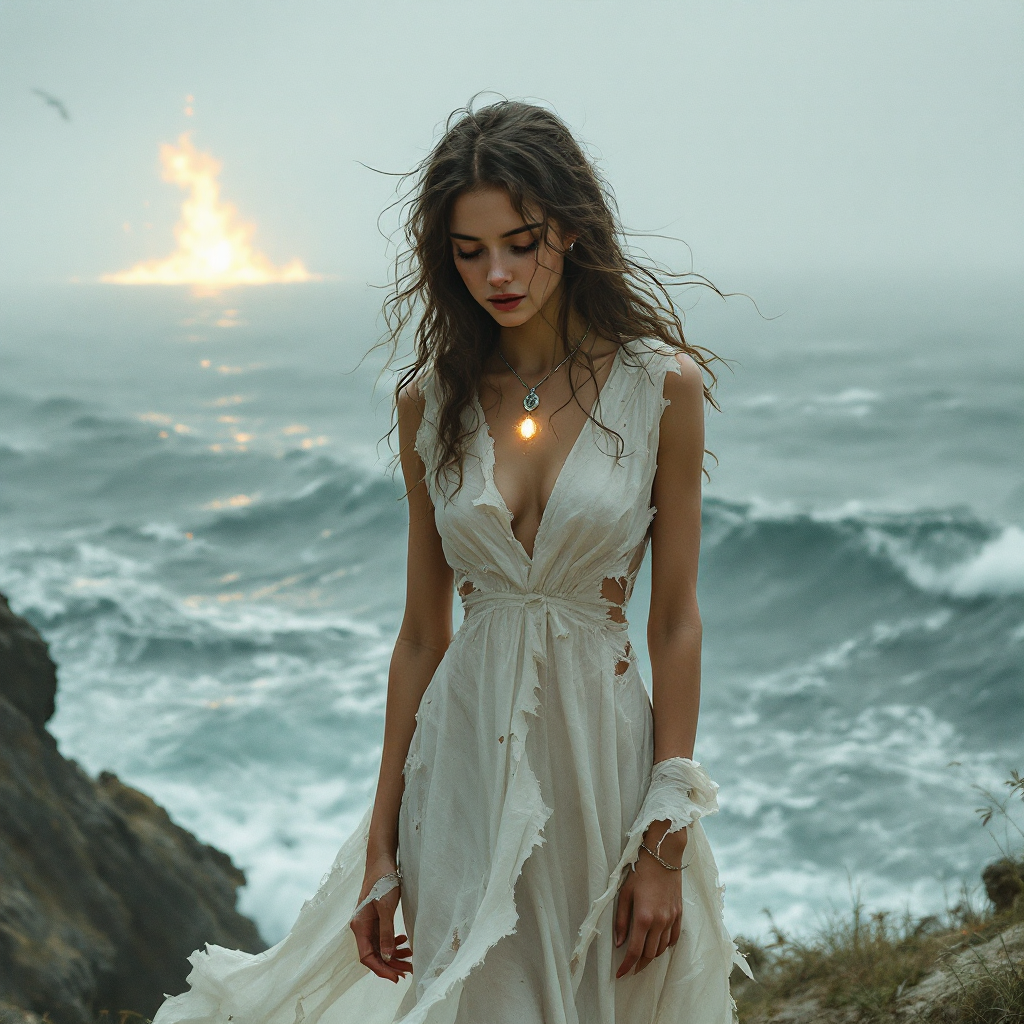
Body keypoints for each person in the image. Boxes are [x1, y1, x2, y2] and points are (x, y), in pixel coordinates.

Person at [151, 99, 751, 1024]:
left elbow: (674, 619)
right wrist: (381, 848)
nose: (498, 274)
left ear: (572, 230)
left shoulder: (659, 385)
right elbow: (424, 634)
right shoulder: (431, 405)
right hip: (464, 770)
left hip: (605, 770)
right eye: (470, 253)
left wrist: (665, 839)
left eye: (521, 242)